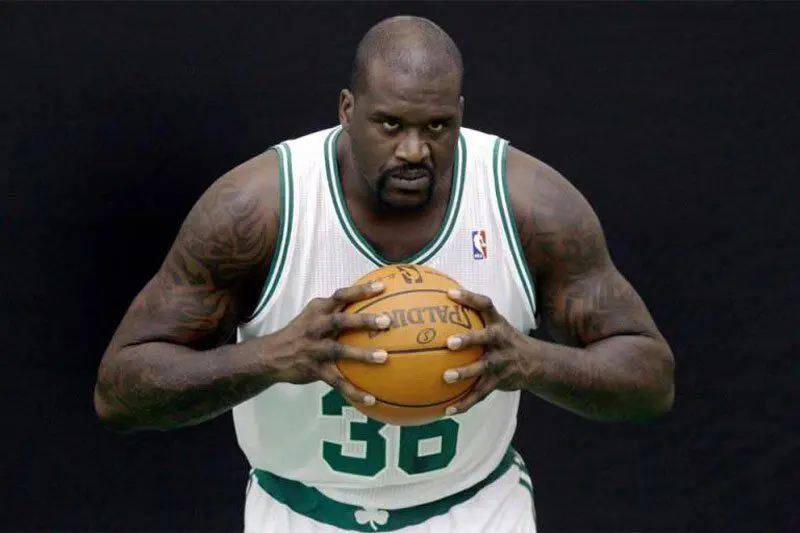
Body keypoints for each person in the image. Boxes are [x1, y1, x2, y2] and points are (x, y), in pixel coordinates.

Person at [93, 15, 675, 533]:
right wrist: (272, 356)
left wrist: (529, 360)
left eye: (437, 127)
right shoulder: (258, 209)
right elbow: (119, 394)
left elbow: (652, 381)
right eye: (390, 124)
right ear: (348, 110)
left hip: (476, 510)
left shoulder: (529, 206)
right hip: (300, 512)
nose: (414, 150)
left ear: (461, 113)